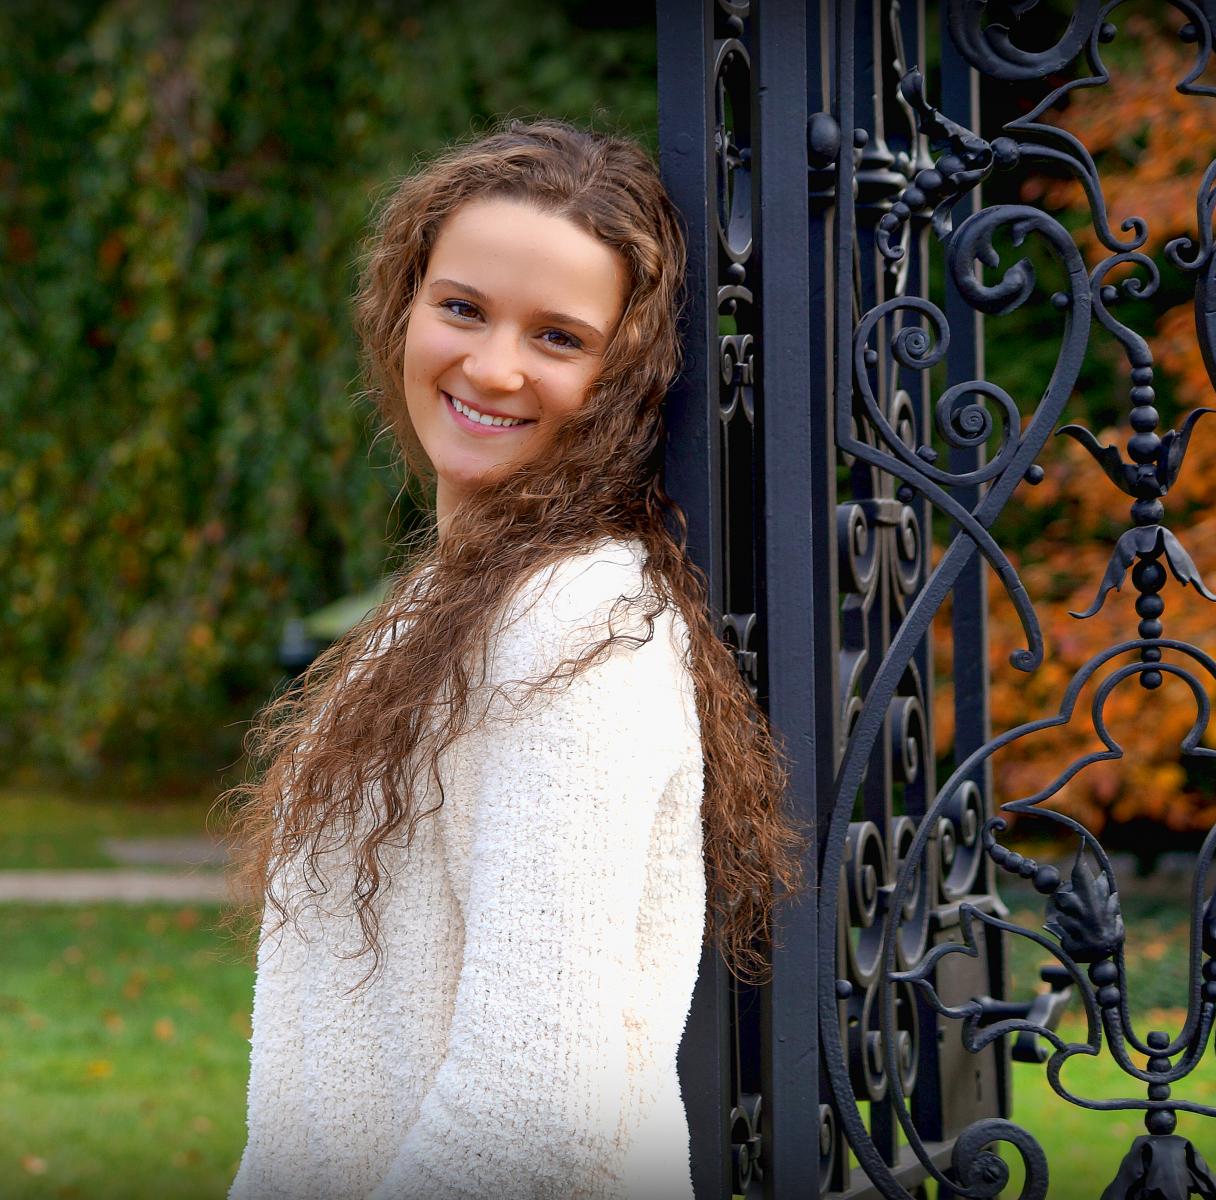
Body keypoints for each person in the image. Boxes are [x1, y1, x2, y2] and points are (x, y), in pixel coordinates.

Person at [224, 117, 806, 1200]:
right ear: (402, 305)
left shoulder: (576, 626)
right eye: (461, 308)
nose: (491, 367)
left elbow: (532, 1111)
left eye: (558, 337)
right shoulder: (446, 606)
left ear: (625, 376)